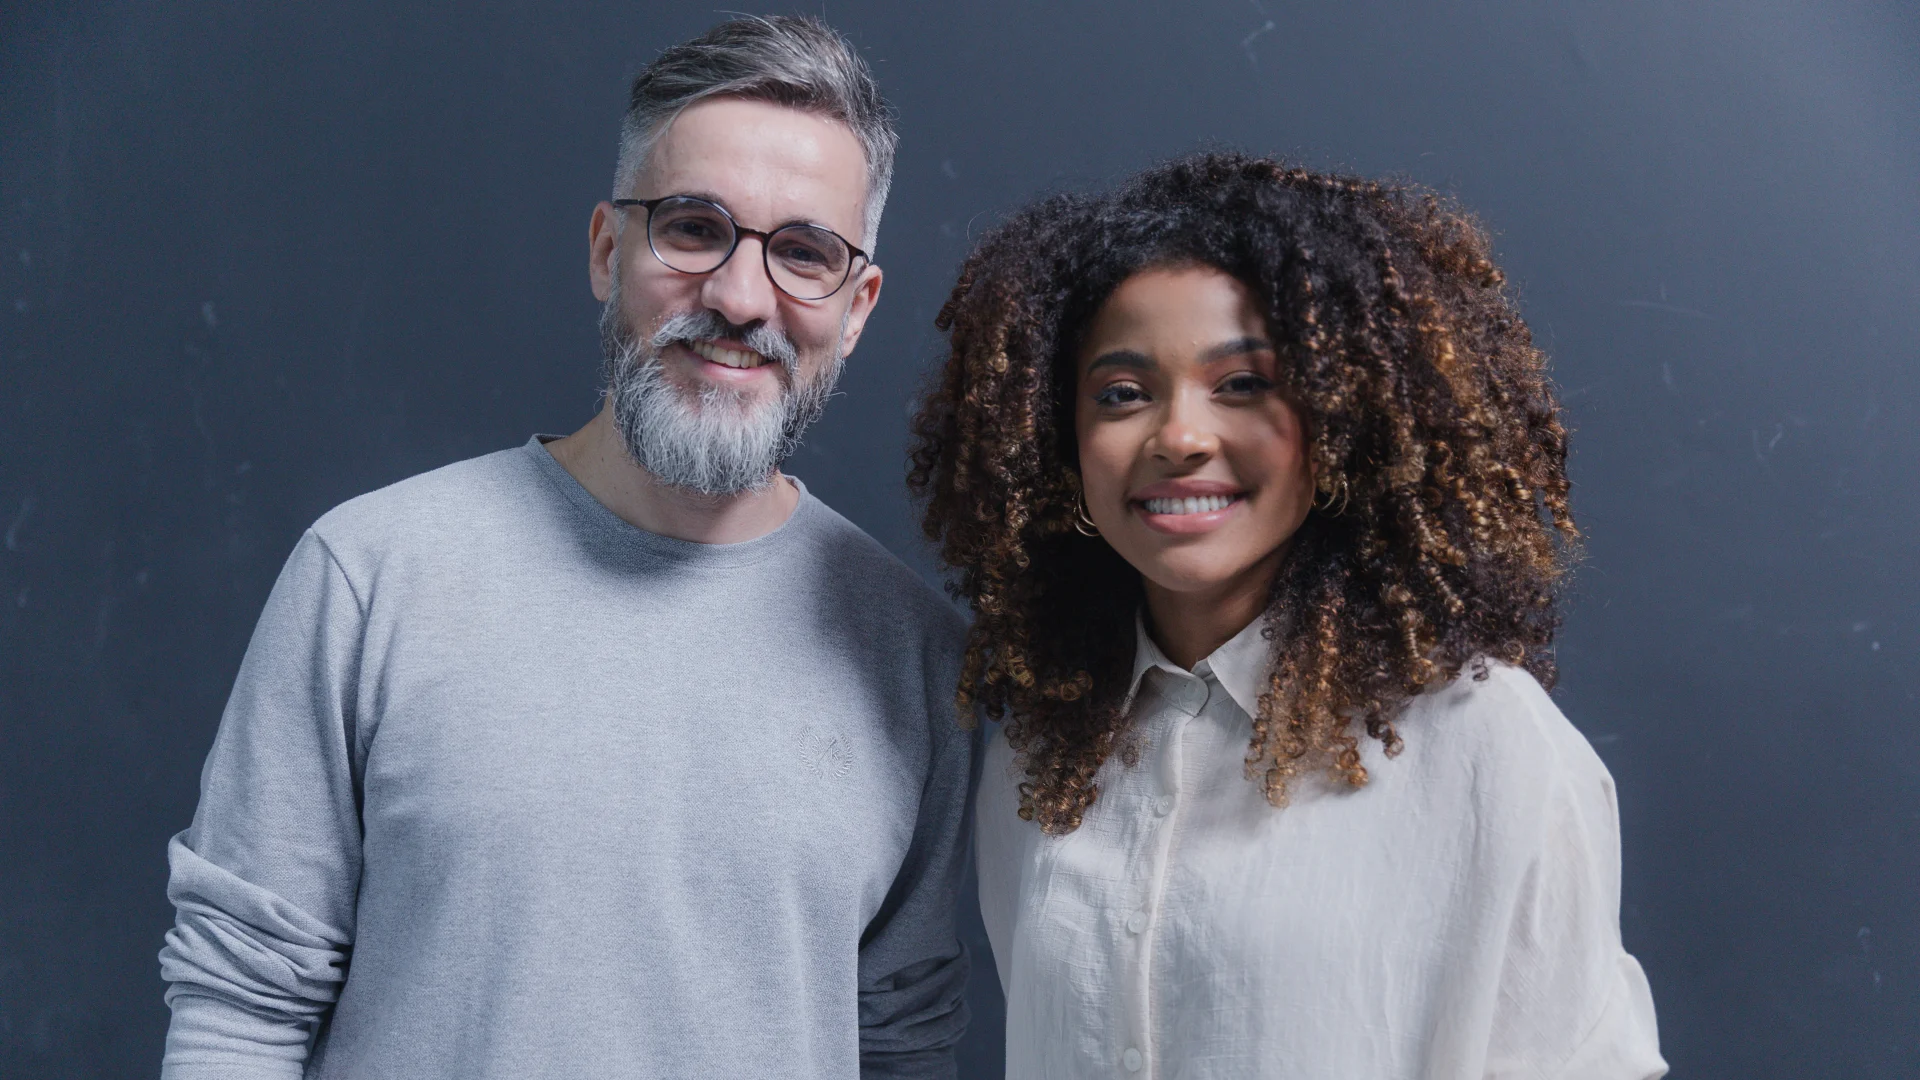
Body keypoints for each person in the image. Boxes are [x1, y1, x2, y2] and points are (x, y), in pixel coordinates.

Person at [158, 16, 974, 1079]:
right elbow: (239, 1008)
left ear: (857, 308)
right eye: (692, 228)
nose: (738, 298)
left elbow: (902, 1046)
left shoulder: (914, 659)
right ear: (607, 250)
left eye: (804, 254)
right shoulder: (370, 578)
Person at [909, 153, 1666, 1078]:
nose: (1180, 436)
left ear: (1339, 424)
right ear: (1060, 445)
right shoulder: (1042, 750)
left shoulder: (1486, 744)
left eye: (1243, 384)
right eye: (1122, 393)